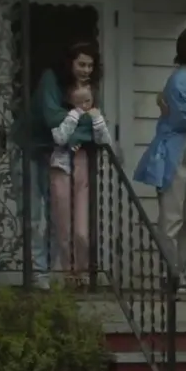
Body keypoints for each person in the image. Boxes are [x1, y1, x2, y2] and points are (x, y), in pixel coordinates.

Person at [134, 27, 186, 291]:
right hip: (175, 150)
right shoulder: (180, 79)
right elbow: (185, 118)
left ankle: (178, 272)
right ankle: (170, 273)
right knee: (172, 217)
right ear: (183, 53)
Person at [16, 42, 102, 288]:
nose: (86, 70)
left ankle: (53, 271)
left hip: (58, 155)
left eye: (90, 66)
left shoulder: (86, 88)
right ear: (69, 63)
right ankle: (38, 274)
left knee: (58, 217)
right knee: (34, 215)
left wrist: (80, 123)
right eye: (81, 64)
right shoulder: (51, 80)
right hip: (33, 149)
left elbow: (98, 125)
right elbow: (53, 119)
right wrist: (85, 121)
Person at [50, 82, 112, 288]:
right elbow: (60, 137)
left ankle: (82, 271)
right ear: (70, 102)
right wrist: (75, 115)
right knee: (64, 227)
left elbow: (105, 141)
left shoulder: (95, 117)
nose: (84, 106)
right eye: (79, 102)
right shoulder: (67, 117)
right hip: (62, 167)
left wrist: (97, 119)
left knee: (82, 232)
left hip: (83, 168)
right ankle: (68, 273)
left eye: (87, 101)